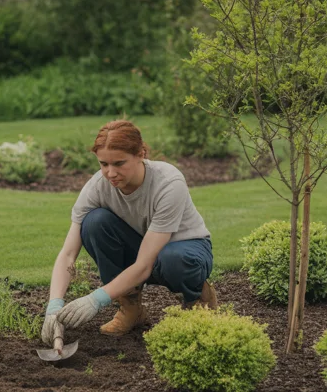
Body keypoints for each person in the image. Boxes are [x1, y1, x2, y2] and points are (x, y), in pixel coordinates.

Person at [41, 120, 217, 346]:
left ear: (141, 154)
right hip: (141, 249)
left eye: (119, 163)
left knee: (173, 258)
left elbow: (145, 264)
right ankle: (131, 308)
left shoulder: (168, 182)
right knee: (94, 223)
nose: (110, 173)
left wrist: (96, 299)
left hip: (185, 249)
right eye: (103, 164)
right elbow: (67, 254)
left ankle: (197, 300)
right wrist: (54, 306)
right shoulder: (97, 187)